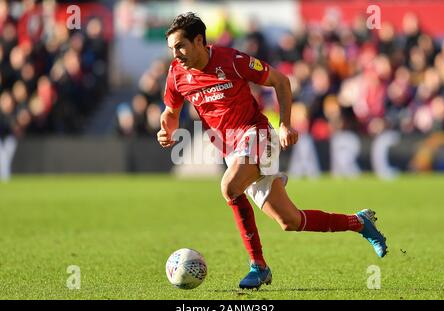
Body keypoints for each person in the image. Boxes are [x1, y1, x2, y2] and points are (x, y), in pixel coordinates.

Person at [157, 12, 388, 289]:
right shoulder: (176, 73)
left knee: (229, 187)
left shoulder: (233, 60)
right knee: (290, 221)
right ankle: (359, 223)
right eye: (172, 48)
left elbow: (280, 80)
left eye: (180, 46)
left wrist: (285, 125)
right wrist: (167, 130)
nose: (176, 53)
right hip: (230, 148)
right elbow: (171, 111)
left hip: (258, 134)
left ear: (198, 41)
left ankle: (258, 266)